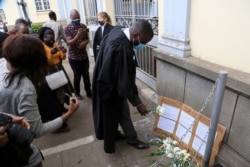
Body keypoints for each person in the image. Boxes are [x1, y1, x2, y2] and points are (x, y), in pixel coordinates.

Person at [92, 19, 154, 153]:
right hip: (110, 88)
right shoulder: (121, 48)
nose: (141, 45)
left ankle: (120, 135)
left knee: (117, 113)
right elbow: (125, 83)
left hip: (107, 83)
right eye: (142, 42)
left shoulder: (117, 30)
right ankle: (131, 138)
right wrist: (138, 103)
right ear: (135, 34)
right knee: (121, 112)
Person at [0, 34, 79, 137]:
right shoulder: (25, 88)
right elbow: (36, 131)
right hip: (13, 137)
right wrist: (69, 112)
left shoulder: (3, 63)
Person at [64, 9, 92, 99]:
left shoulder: (83, 26)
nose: (77, 19)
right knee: (77, 76)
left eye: (78, 17)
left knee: (86, 75)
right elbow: (69, 43)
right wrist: (77, 36)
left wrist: (85, 43)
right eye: (75, 18)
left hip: (83, 56)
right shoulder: (67, 28)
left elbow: (87, 39)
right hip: (74, 57)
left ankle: (88, 91)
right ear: (71, 18)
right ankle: (77, 93)